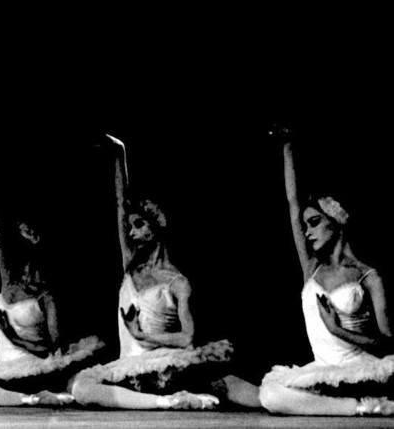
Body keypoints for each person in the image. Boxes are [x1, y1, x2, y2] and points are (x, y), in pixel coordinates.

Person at [71, 135, 262, 410]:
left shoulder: (177, 282)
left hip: (163, 364)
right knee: (81, 387)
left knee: (224, 383)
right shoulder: (131, 267)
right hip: (129, 365)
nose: (132, 233)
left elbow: (186, 338)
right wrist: (118, 156)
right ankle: (166, 402)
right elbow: (119, 202)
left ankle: (187, 396)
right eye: (130, 227)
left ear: (156, 226)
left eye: (139, 225)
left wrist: (143, 337)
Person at [257, 129, 392, 416]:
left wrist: (336, 330)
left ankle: (361, 402)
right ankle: (361, 407)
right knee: (270, 394)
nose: (308, 232)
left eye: (315, 222)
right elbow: (293, 204)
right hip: (323, 369)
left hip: (360, 369)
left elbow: (387, 342)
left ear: (336, 221)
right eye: (306, 225)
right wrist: (287, 146)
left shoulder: (368, 276)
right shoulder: (312, 268)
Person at [0, 187, 104, 406]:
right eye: (26, 269)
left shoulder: (46, 297)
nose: (29, 273)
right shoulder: (9, 284)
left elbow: (53, 352)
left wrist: (14, 337)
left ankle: (33, 396)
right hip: (5, 367)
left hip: (33, 367)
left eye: (34, 269)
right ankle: (27, 399)